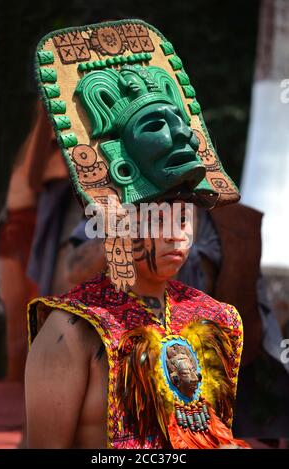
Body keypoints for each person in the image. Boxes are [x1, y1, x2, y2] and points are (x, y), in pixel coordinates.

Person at [25, 19, 249, 449]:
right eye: (157, 219)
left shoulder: (218, 320)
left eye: (185, 218)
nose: (177, 236)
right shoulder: (69, 332)